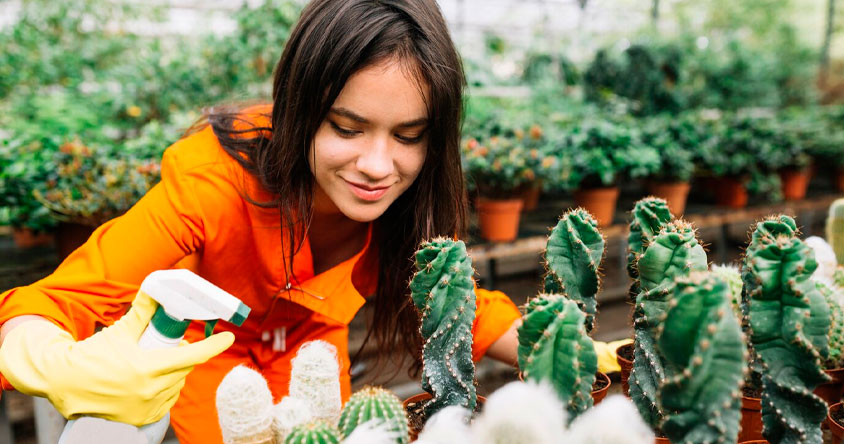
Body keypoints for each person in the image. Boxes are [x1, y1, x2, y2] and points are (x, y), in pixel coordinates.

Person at [0, 1, 624, 443]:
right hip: (210, 349)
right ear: (300, 112)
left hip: (313, 350)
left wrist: (575, 354)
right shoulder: (213, 182)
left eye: (408, 136)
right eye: (346, 129)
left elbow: (462, 303)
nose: (377, 166)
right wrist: (52, 360)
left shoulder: (411, 202)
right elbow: (54, 300)